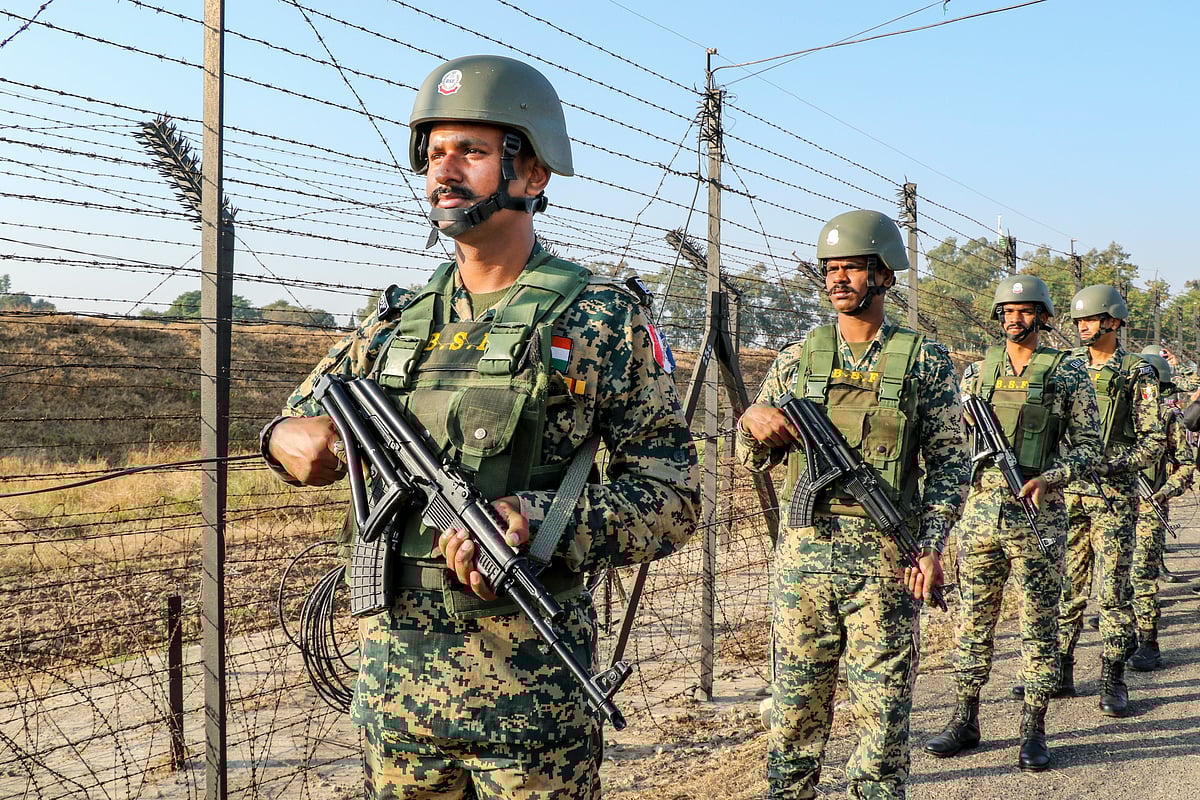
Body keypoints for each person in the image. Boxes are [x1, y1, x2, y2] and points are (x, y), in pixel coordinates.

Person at [259, 55, 700, 800]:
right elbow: (295, 419)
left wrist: (538, 520)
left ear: (533, 173)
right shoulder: (395, 320)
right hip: (397, 704)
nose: (445, 169)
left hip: (532, 706)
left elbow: (674, 496)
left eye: (471, 150)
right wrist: (286, 440)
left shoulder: (600, 318)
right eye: (435, 152)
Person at [736, 209, 970, 800]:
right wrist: (753, 420)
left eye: (853, 268)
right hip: (804, 561)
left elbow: (950, 463)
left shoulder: (923, 361)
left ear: (884, 275)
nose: (838, 279)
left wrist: (932, 545)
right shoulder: (797, 359)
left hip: (887, 564)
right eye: (830, 269)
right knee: (793, 715)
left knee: (883, 721)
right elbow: (751, 455)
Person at [924, 275, 1101, 772]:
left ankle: (1033, 728)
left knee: (1038, 624)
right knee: (973, 622)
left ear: (1042, 317)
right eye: (1007, 311)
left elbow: (1090, 447)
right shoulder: (976, 375)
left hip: (1038, 517)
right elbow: (950, 443)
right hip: (980, 517)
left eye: (1024, 311)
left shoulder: (1067, 373)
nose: (1014, 319)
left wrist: (1051, 477)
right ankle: (964, 719)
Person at [1042, 284, 1166, 717]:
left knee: (1113, 592)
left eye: (1090, 319)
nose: (1082, 327)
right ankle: (1061, 669)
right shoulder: (1067, 366)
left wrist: (1114, 466)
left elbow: (1154, 441)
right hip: (1067, 495)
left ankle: (1113, 677)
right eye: (1078, 320)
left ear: (1113, 321)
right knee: (1066, 589)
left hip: (1113, 497)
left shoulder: (1136, 373)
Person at [1127, 351, 1196, 669]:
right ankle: (1122, 636)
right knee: (1114, 577)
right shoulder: (1112, 414)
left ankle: (1148, 642)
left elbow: (1186, 465)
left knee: (1142, 575)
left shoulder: (1168, 416)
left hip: (1149, 505)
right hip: (1112, 505)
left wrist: (1163, 493)